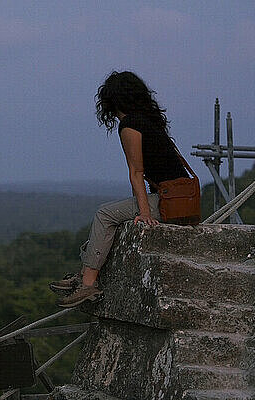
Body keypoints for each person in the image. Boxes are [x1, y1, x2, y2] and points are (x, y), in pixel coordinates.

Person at [50, 70, 189, 308]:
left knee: (105, 214)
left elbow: (136, 172)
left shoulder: (130, 125)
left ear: (111, 100)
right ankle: (84, 273)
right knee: (112, 213)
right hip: (181, 197)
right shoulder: (148, 121)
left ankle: (88, 284)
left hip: (169, 201)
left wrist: (144, 214)